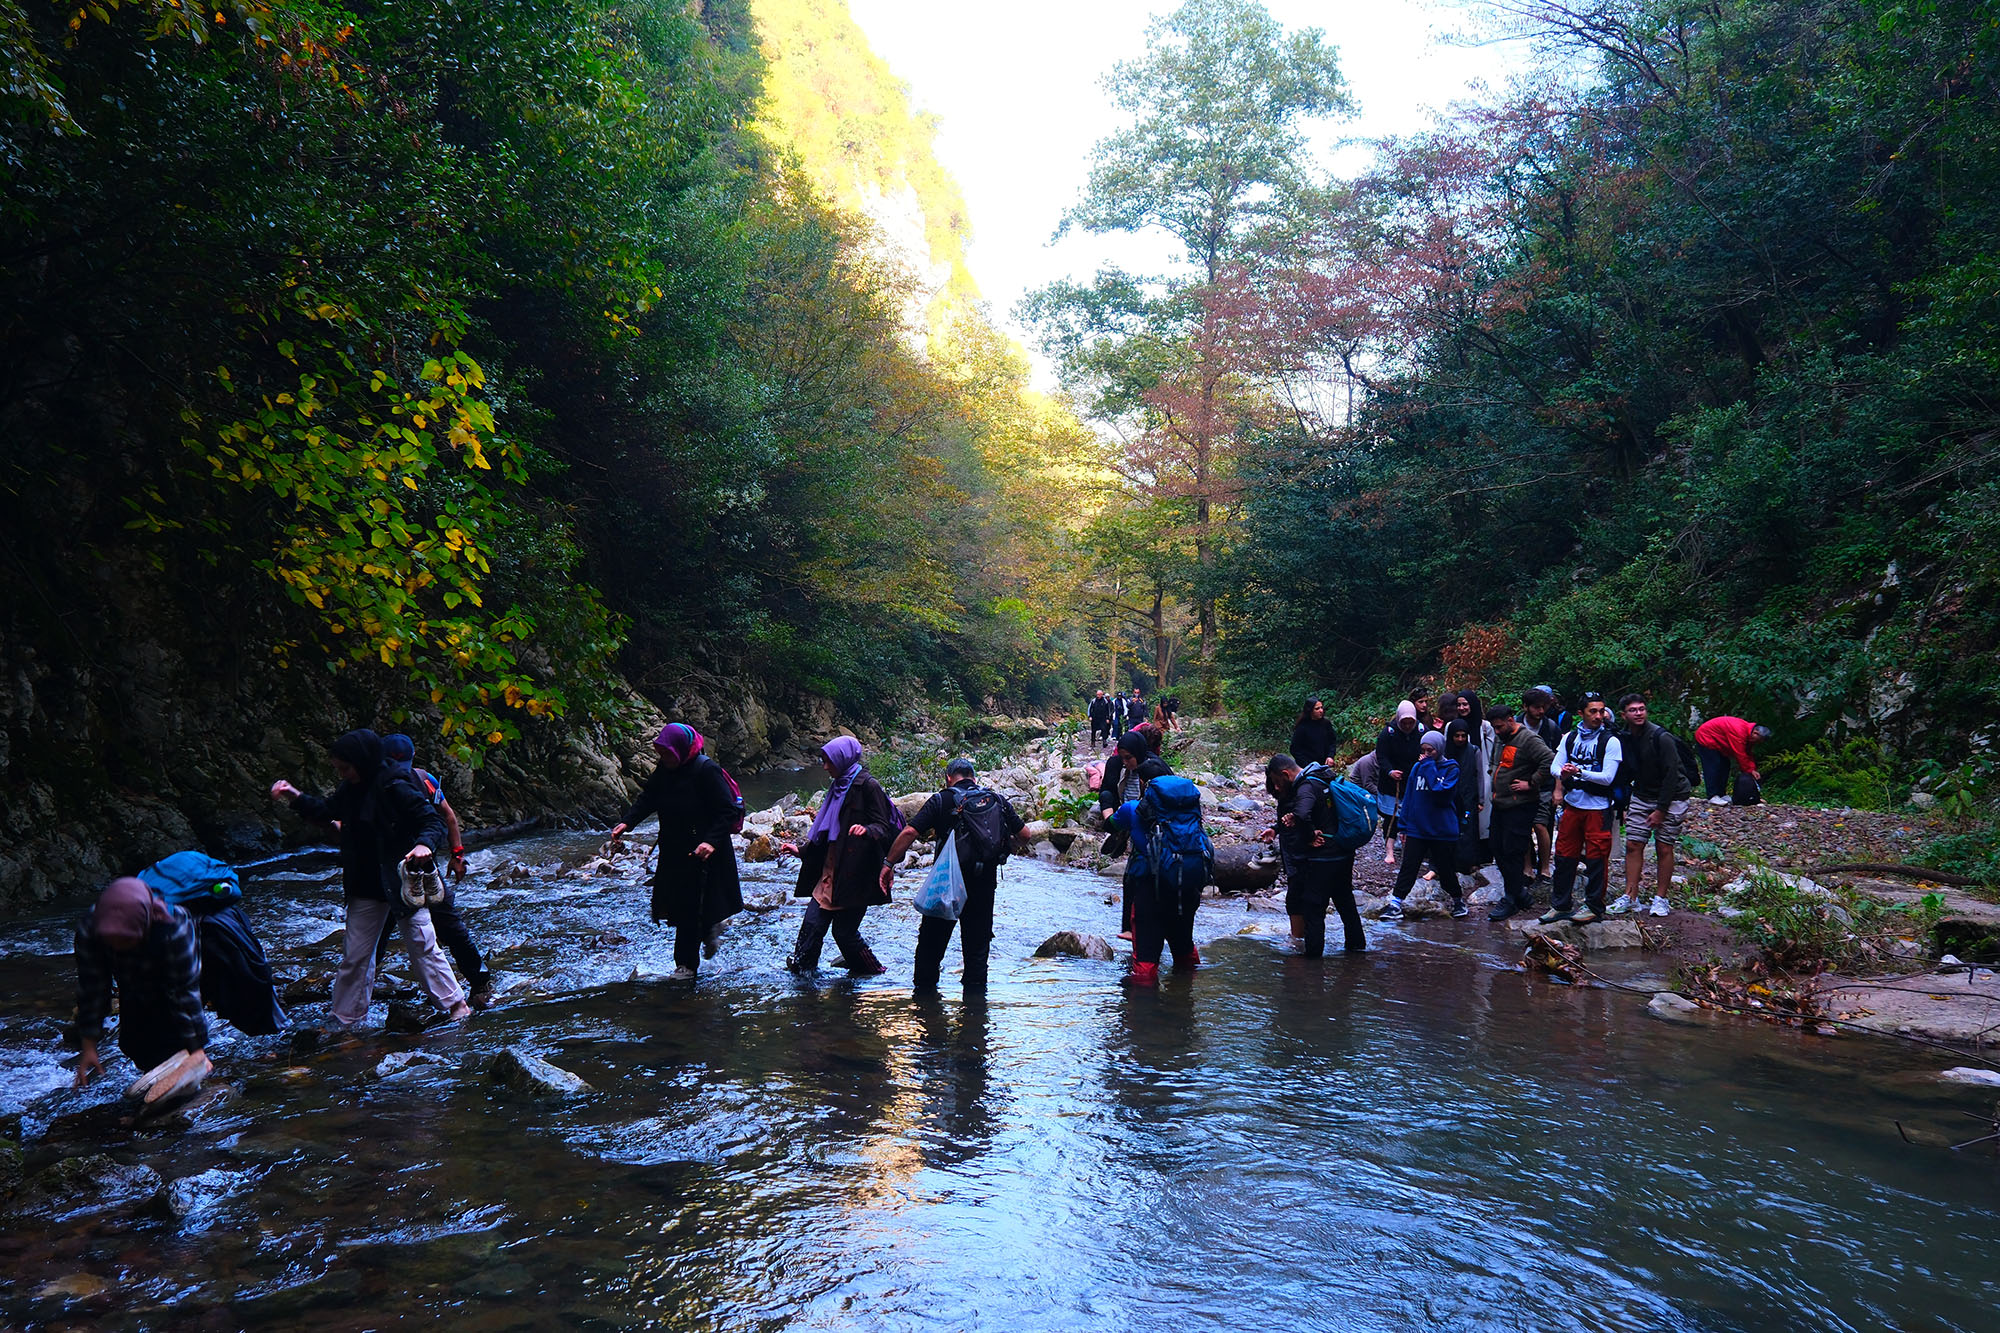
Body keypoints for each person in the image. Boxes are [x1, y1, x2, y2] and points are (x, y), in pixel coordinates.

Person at [271, 729, 469, 1026]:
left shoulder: (394, 784)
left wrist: (423, 845)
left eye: (345, 768)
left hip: (402, 879)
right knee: (355, 956)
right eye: (338, 768)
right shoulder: (351, 787)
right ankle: (345, 1019)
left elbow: (431, 820)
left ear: (362, 762)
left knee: (422, 944)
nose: (342, 773)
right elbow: (327, 811)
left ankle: (456, 1007)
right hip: (364, 881)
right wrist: (294, 796)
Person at [608, 723, 747, 981]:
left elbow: (727, 810)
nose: (665, 758)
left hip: (704, 851)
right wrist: (628, 822)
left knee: (690, 909)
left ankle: (685, 966)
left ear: (682, 749)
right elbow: (649, 797)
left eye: (669, 753)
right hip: (674, 848)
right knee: (684, 906)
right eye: (662, 754)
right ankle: (708, 929)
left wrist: (711, 842)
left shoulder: (707, 770)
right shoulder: (665, 769)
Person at [884, 758, 1026, 991]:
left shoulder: (941, 799)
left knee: (930, 947)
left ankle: (925, 1007)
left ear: (949, 778)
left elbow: (910, 832)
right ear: (974, 778)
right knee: (977, 950)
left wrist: (887, 864)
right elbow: (1026, 835)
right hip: (983, 885)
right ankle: (975, 1014)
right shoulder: (996, 800)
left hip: (947, 883)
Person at [378, 734, 492, 1008]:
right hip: (394, 869)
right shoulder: (400, 781)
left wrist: (457, 855)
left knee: (448, 926)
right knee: (379, 933)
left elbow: (448, 816)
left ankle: (480, 983)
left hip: (420, 867)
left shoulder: (420, 779)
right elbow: (448, 815)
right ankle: (479, 984)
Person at [72, 878, 209, 1087]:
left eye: (126, 940)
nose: (119, 947)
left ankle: (186, 1081)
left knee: (176, 1036)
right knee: (135, 1044)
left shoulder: (174, 927)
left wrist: (197, 1048)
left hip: (166, 971)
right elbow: (93, 988)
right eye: (112, 942)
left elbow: (183, 991)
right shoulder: (90, 929)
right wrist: (89, 1045)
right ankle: (155, 1080)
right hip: (130, 982)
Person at [783, 738, 900, 976]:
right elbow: (826, 832)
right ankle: (802, 974)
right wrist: (801, 851)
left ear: (842, 760)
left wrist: (867, 830)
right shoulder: (838, 786)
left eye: (828, 761)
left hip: (856, 873)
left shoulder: (868, 786)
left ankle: (873, 971)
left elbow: (883, 825)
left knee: (844, 933)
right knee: (812, 925)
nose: (825, 767)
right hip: (829, 870)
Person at [1262, 754, 1365, 956]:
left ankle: (1313, 963)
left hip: (1323, 857)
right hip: (1342, 850)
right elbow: (1317, 812)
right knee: (1345, 901)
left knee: (1314, 908)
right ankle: (1357, 950)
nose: (1275, 787)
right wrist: (1278, 828)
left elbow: (1302, 813)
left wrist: (1308, 836)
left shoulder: (1306, 786)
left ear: (1285, 773)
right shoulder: (1323, 775)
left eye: (1276, 782)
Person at [1107, 778, 1207, 982]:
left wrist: (1107, 806)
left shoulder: (1132, 809)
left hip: (1149, 893)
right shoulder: (1188, 820)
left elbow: (1111, 825)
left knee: (1146, 964)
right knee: (1185, 953)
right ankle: (1185, 1000)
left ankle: (1145, 1010)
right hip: (1185, 889)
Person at [1541, 694, 1622, 926]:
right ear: (1581, 714)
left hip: (1598, 808)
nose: (1598, 716)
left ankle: (1595, 906)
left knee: (1597, 858)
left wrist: (1579, 772)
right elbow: (1555, 766)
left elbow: (1607, 778)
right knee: (1565, 855)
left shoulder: (1611, 741)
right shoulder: (1570, 738)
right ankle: (1560, 905)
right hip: (1573, 805)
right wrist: (1564, 772)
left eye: (1601, 711)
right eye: (1593, 711)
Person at [1611, 694, 1692, 918]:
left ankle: (1661, 899)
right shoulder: (1625, 737)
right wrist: (1623, 803)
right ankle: (1630, 896)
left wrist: (1661, 810)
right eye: (1633, 710)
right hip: (1642, 793)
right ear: (1624, 714)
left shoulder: (1660, 737)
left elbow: (1672, 775)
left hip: (1673, 795)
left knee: (1664, 846)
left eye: (1642, 709)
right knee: (1633, 844)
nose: (1638, 713)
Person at [1380, 731, 1467, 920]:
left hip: (1442, 830)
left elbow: (1441, 792)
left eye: (1431, 750)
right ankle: (1395, 904)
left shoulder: (1451, 768)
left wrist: (1427, 764)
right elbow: (1409, 798)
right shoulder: (1417, 768)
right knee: (1409, 866)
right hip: (1418, 828)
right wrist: (1403, 826)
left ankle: (1458, 900)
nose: (1427, 754)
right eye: (1424, 750)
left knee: (1445, 868)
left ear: (1440, 749)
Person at [1097, 729, 1175, 939]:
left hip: (1157, 828)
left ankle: (1140, 929)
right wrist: (1110, 819)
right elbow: (1106, 792)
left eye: (1129, 758)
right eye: (1122, 758)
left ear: (1139, 753)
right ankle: (1129, 929)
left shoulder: (1153, 768)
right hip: (1133, 822)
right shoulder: (1115, 764)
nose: (1125, 763)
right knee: (1133, 877)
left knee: (1142, 875)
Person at [1483, 706, 1553, 920]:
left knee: (1513, 851)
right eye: (1494, 727)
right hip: (1500, 803)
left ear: (1511, 720)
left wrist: (1530, 783)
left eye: (1499, 726)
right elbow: (1496, 763)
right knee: (1496, 847)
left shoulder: (1528, 739)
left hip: (1520, 805)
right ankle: (1520, 893)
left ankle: (1512, 899)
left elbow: (1550, 760)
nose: (1496, 730)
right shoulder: (1500, 737)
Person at [1522, 688, 1563, 886]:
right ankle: (1527, 866)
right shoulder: (1517, 725)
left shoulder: (1551, 727)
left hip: (1545, 784)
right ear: (1526, 707)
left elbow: (1558, 759)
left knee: (1542, 824)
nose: (1540, 711)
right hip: (1521, 783)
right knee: (1523, 825)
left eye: (1543, 707)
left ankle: (1545, 866)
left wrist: (1558, 788)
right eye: (1536, 707)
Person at [1373, 701, 1422, 866]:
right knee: (1391, 818)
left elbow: (1429, 748)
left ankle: (1410, 848)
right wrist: (1390, 771)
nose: (1407, 726)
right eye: (1404, 722)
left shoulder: (1421, 731)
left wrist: (1425, 758)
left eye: (1411, 722)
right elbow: (1381, 756)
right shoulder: (1388, 733)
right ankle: (1389, 851)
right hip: (1391, 783)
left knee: (1413, 816)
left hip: (1413, 781)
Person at [1693, 714, 1771, 804]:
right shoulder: (1739, 732)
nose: (1758, 743)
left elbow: (1748, 752)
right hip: (1706, 738)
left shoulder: (1748, 735)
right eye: (1758, 740)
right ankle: (1712, 795)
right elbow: (1740, 754)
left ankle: (1721, 794)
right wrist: (1749, 771)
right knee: (1713, 766)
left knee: (1725, 765)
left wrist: (1753, 769)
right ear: (1755, 733)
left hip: (1719, 743)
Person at [1443, 718, 1486, 875]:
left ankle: (1470, 862)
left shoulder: (1474, 751)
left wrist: (1481, 799)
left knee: (1469, 830)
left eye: (1463, 735)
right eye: (1457, 736)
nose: (1460, 739)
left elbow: (1480, 776)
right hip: (1449, 797)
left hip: (1469, 796)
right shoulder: (1446, 751)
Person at [1289, 697, 1337, 768]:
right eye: (1317, 709)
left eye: (1321, 708)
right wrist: (1307, 765)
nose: (1321, 710)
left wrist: (1330, 756)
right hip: (1308, 766)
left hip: (1324, 764)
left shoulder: (1326, 723)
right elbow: (1295, 749)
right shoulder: (1302, 727)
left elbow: (1332, 741)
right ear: (1310, 710)